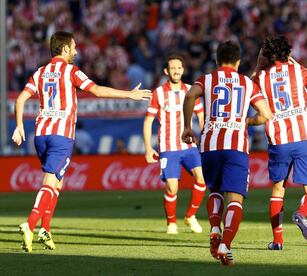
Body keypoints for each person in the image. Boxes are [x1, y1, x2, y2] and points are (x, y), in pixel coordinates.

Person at [12, 31, 152, 253]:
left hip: (40, 135)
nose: (76, 51)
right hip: (61, 135)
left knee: (56, 182)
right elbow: (97, 90)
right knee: (50, 182)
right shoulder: (71, 71)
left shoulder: (39, 72)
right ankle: (29, 224)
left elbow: (20, 99)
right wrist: (129, 95)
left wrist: (19, 126)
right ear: (65, 49)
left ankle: (45, 230)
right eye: (74, 47)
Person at [182, 41, 272, 265]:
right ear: (238, 61)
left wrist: (187, 126)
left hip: (210, 144)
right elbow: (266, 114)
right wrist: (247, 121)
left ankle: (214, 228)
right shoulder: (247, 83)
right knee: (235, 197)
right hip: (235, 147)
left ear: (216, 60)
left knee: (215, 189)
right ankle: (225, 245)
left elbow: (189, 96)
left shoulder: (207, 78)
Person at [253, 35, 307, 250]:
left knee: (278, 189)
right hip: (303, 137)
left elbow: (254, 88)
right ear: (287, 53)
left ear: (267, 55)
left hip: (278, 140)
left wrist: (260, 62)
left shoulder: (259, 77)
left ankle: (278, 241)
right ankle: (301, 213)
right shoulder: (299, 71)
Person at [144, 55, 206, 234]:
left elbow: (201, 115)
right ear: (166, 71)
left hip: (189, 146)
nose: (176, 71)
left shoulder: (191, 90)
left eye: (179, 67)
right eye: (173, 68)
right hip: (168, 147)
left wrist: (203, 136)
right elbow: (148, 121)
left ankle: (191, 216)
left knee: (201, 178)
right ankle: (171, 222)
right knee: (172, 187)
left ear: (183, 70)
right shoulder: (159, 93)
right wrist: (148, 147)